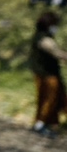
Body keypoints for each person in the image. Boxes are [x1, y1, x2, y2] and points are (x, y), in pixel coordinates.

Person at [30, 10, 67, 138]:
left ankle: (47, 123)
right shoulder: (44, 39)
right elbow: (57, 53)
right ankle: (41, 124)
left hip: (44, 74)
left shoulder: (40, 36)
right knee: (49, 100)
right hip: (47, 75)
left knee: (56, 99)